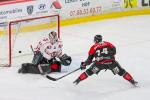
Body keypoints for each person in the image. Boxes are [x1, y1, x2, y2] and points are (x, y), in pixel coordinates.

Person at [73, 34, 138, 86]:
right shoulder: (108, 43)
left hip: (99, 65)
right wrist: (108, 56)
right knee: (122, 72)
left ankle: (78, 80)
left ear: (95, 40)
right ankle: (132, 81)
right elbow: (114, 51)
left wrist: (84, 64)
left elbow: (89, 60)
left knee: (89, 72)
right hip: (111, 63)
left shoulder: (93, 47)